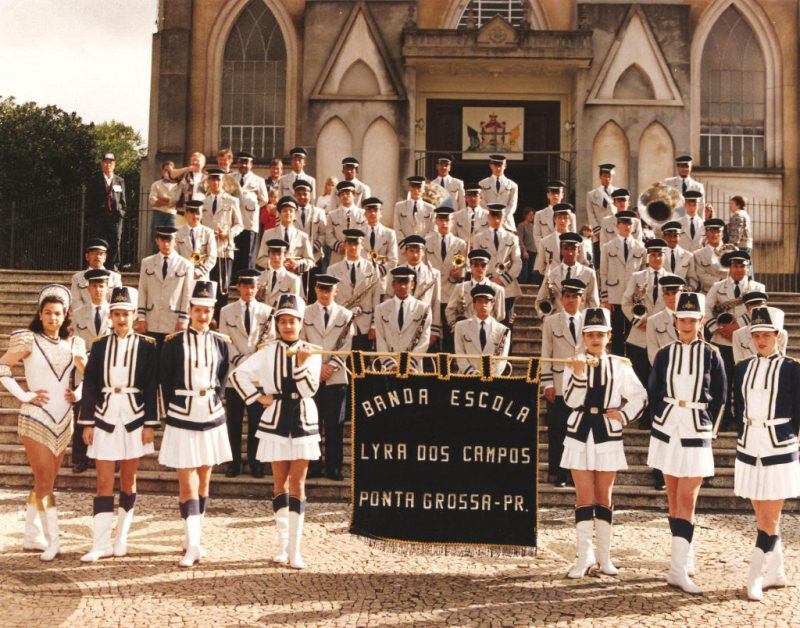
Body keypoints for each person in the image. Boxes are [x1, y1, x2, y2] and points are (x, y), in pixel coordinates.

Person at [230, 293, 322, 569]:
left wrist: (303, 364)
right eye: (282, 321)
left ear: (300, 323)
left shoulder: (312, 351)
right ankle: (282, 544)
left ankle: (295, 549)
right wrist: (258, 397)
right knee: (278, 483)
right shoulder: (267, 351)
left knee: (298, 483)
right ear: (277, 324)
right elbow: (238, 375)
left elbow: (309, 389)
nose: (287, 326)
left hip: (303, 419)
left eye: (292, 321)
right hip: (275, 419)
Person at [647, 292, 727, 594]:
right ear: (675, 321)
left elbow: (720, 397)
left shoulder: (712, 354)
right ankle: (684, 558)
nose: (688, 324)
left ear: (701, 321)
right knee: (672, 499)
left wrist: (710, 430)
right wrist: (662, 418)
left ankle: (677, 570)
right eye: (683, 319)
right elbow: (654, 390)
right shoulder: (665, 353)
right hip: (668, 428)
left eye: (693, 320)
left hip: (696, 429)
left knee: (687, 500)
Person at [0, 285, 86, 561]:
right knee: (46, 481)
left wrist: (79, 393)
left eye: (57, 313)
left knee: (44, 481)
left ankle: (31, 535)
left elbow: (90, 374)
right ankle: (53, 540)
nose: (52, 318)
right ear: (40, 314)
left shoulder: (75, 344)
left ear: (64, 316)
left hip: (65, 420)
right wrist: (25, 395)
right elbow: (2, 368)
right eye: (47, 313)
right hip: (36, 418)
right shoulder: (27, 340)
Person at [562, 307, 647, 578]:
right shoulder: (573, 362)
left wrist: (623, 414)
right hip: (579, 433)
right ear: (584, 336)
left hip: (607, 434)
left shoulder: (620, 365)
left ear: (609, 335)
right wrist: (576, 374)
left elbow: (640, 396)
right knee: (583, 497)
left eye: (601, 333)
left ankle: (605, 558)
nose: (596, 339)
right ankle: (584, 558)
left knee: (604, 496)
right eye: (590, 334)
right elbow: (571, 401)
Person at [77, 286, 158, 562]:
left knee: (128, 479)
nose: (122, 319)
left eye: (126, 313)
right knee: (102, 480)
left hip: (135, 417)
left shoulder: (147, 346)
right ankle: (100, 543)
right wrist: (87, 422)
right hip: (105, 415)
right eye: (117, 314)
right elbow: (89, 384)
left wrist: (150, 423)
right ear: (110, 315)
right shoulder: (99, 345)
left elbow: (150, 385)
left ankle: (121, 538)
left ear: (135, 315)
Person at [158, 281, 233, 567]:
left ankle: (194, 534)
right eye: (197, 310)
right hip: (182, 413)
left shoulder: (221, 342)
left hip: (211, 413)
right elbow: (165, 378)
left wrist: (215, 398)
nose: (202, 315)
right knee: (186, 479)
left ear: (213, 312)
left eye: (207, 310)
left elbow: (224, 375)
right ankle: (193, 544)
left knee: (204, 478)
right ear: (189, 310)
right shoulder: (173, 342)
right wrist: (171, 411)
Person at [733, 306, 800, 600]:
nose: (761, 340)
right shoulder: (743, 367)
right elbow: (738, 408)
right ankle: (777, 572)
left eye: (766, 335)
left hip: (780, 447)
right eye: (756, 335)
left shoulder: (793, 368)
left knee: (770, 518)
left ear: (778, 336)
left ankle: (755, 576)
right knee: (761, 514)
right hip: (750, 445)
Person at [218, 269, 275, 479]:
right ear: (238, 287)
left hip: (258, 376)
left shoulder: (268, 311)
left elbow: (271, 341)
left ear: (257, 288)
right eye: (245, 286)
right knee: (233, 421)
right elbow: (224, 340)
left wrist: (255, 362)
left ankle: (255, 462)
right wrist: (239, 360)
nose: (249, 290)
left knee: (256, 422)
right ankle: (234, 462)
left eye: (253, 286)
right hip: (235, 375)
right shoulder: (226, 311)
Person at [300, 275, 353, 480]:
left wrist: (330, 367)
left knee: (335, 424)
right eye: (321, 289)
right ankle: (313, 465)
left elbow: (346, 346)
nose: (324, 293)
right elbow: (302, 341)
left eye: (329, 290)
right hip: (311, 376)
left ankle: (334, 467)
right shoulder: (305, 313)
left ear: (336, 291)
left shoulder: (346, 314)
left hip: (336, 376)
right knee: (313, 423)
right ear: (315, 289)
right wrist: (316, 367)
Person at [705, 250, 765, 431]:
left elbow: (760, 311)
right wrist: (718, 329)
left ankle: (742, 420)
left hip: (746, 342)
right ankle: (721, 419)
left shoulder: (757, 288)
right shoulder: (718, 287)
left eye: (742, 266)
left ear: (748, 268)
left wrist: (737, 326)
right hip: (721, 341)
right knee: (721, 383)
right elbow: (706, 309)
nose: (739, 269)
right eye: (735, 266)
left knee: (743, 383)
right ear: (730, 267)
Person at [540, 278, 586, 487]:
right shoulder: (551, 321)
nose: (570, 300)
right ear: (561, 298)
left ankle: (577, 474)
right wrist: (547, 383)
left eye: (575, 296)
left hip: (582, 384)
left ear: (582, 299)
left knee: (580, 431)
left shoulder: (589, 321)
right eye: (567, 296)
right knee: (557, 430)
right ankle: (558, 472)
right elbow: (546, 353)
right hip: (559, 384)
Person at [70, 268, 113, 473]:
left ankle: (109, 457)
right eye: (94, 285)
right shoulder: (77, 314)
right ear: (88, 288)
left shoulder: (116, 312)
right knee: (81, 412)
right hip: (83, 367)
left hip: (109, 369)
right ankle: (80, 458)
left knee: (109, 413)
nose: (98, 289)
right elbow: (75, 343)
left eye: (102, 285)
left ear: (107, 287)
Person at [137, 227, 194, 347]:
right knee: (151, 360)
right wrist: (141, 317)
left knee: (170, 361)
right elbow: (142, 290)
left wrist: (183, 319)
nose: (166, 244)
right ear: (157, 241)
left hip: (173, 321)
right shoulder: (147, 262)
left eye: (169, 240)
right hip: (152, 320)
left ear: (176, 241)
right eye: (162, 240)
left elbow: (187, 294)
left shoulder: (185, 265)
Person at [599, 210, 646, 355]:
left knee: (634, 333)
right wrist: (605, 298)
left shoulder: (641, 248)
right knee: (617, 332)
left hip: (633, 299)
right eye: (624, 223)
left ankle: (632, 363)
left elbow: (644, 273)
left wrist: (642, 298)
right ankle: (617, 361)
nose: (627, 226)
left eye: (630, 223)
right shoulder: (608, 247)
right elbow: (603, 273)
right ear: (617, 225)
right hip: (615, 296)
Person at [329, 229, 383, 351]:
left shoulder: (372, 269)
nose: (353, 247)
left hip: (364, 324)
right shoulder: (333, 270)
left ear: (362, 245)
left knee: (362, 364)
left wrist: (374, 325)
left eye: (356, 244)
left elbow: (376, 300)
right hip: (341, 324)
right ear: (345, 245)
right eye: (350, 243)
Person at [202, 168, 244, 320]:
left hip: (224, 249)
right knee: (208, 286)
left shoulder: (232, 200)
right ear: (209, 181)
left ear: (222, 181)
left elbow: (240, 225)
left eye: (218, 179)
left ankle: (221, 320)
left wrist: (229, 234)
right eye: (212, 179)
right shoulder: (203, 202)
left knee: (222, 287)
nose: (215, 182)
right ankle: (209, 319)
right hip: (206, 251)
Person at [425, 206, 467, 352]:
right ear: (436, 221)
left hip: (451, 293)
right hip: (432, 293)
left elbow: (466, 267)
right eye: (441, 220)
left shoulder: (460, 244)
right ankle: (432, 369)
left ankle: (448, 369)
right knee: (430, 333)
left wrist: (460, 273)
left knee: (450, 334)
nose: (444, 223)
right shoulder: (426, 241)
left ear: (452, 222)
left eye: (447, 220)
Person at [374, 267, 432, 373]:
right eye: (398, 282)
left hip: (413, 368)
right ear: (393, 284)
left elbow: (424, 340)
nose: (402, 286)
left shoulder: (423, 308)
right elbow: (380, 340)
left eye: (406, 282)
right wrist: (390, 364)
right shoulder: (381, 309)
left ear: (412, 284)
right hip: (389, 368)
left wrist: (409, 364)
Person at [472, 205, 522, 326]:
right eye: (494, 217)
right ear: (489, 217)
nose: (497, 220)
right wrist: (489, 279)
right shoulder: (479, 238)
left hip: (507, 287)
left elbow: (517, 262)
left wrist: (501, 280)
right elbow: (476, 262)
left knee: (506, 326)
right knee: (486, 324)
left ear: (504, 217)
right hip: (486, 286)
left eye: (499, 217)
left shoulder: (512, 238)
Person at [391, 235, 442, 346]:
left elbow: (435, 302)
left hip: (423, 322)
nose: (414, 255)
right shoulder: (395, 272)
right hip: (401, 323)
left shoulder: (434, 274)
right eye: (411, 251)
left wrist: (434, 330)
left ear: (423, 252)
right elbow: (389, 298)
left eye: (418, 251)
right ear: (405, 252)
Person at [534, 232, 599, 318]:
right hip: (558, 324)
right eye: (566, 249)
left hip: (580, 323)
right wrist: (546, 318)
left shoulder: (589, 274)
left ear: (578, 251)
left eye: (573, 249)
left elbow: (593, 302)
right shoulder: (551, 274)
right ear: (561, 250)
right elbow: (539, 301)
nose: (570, 253)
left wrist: (585, 321)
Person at [453, 285, 510, 375]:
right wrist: (472, 373)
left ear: (493, 303)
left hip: (492, 380)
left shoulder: (503, 330)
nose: (483, 305)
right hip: (466, 378)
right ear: (474, 304)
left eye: (486, 301)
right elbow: (459, 353)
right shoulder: (461, 326)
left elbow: (502, 359)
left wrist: (489, 376)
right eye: (479, 301)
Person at [445, 249, 506, 329]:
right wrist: (454, 325)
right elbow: (450, 309)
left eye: (483, 265)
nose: (479, 268)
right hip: (465, 330)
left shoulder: (498, 290)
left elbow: (500, 316)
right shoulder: (460, 288)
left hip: (489, 330)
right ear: (471, 266)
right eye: (476, 265)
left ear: (488, 266)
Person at [87, 153, 127, 271]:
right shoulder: (95, 180)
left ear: (114, 165)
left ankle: (113, 265)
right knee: (98, 241)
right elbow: (90, 199)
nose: (108, 165)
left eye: (110, 162)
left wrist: (121, 212)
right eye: (106, 162)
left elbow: (123, 199)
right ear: (102, 164)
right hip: (99, 217)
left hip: (115, 217)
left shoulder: (120, 180)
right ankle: (97, 265)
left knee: (115, 241)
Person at [258, 196, 314, 276]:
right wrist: (276, 264)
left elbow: (310, 261)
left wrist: (297, 264)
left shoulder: (303, 236)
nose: (288, 213)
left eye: (291, 211)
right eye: (284, 211)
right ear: (279, 214)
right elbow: (260, 259)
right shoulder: (268, 234)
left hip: (294, 278)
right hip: (274, 277)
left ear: (295, 215)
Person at [234, 151, 269, 274]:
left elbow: (264, 199)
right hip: (234, 220)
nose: (243, 165)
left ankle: (247, 276)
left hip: (250, 220)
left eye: (246, 162)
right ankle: (235, 279)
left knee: (248, 251)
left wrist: (254, 206)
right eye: (241, 162)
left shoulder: (258, 180)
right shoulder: (232, 178)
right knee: (235, 249)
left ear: (251, 164)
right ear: (237, 164)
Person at [533, 204, 590, 277]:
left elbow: (583, 263)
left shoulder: (579, 241)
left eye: (565, 218)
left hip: (572, 281)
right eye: (559, 218)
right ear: (554, 219)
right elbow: (541, 266)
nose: (562, 221)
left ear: (570, 220)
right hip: (551, 282)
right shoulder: (545, 242)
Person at [732, 292, 788, 363]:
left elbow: (781, 359)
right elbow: (739, 362)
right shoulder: (739, 334)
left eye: (761, 308)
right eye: (753, 310)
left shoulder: (780, 332)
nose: (758, 313)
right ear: (747, 311)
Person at [70, 238, 123, 311]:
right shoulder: (77, 278)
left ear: (105, 257)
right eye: (94, 253)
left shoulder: (115, 277)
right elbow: (76, 302)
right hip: (85, 319)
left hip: (108, 318)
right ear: (87, 256)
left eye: (101, 254)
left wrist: (104, 315)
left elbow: (117, 302)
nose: (97, 256)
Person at [293, 179, 328, 284]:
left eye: (305, 194)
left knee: (314, 289)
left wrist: (314, 246)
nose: (302, 197)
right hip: (296, 257)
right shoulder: (290, 212)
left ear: (310, 195)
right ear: (294, 195)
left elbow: (324, 233)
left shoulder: (318, 212)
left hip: (315, 256)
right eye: (299, 194)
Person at [325, 180, 368, 265]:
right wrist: (338, 245)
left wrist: (354, 246)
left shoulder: (363, 214)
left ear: (354, 195)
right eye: (342, 194)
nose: (345, 196)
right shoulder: (332, 215)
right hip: (338, 255)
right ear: (339, 197)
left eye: (348, 193)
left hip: (358, 254)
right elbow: (328, 235)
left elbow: (366, 233)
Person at [175, 200, 218, 280]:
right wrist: (184, 271)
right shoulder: (178, 232)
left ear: (201, 215)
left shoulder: (208, 232)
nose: (195, 217)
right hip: (182, 275)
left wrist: (199, 272)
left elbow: (212, 257)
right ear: (186, 214)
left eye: (198, 213)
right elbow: (175, 255)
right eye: (192, 213)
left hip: (201, 276)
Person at [256, 240, 303, 308]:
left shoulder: (293, 280)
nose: (276, 257)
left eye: (279, 254)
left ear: (285, 255)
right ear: (268, 255)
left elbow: (292, 306)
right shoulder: (259, 277)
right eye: (273, 254)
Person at [586, 164, 617, 268]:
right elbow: (591, 213)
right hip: (598, 234)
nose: (607, 178)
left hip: (614, 233)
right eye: (604, 175)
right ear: (600, 176)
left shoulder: (618, 193)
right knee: (600, 264)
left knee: (614, 263)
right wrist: (597, 231)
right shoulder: (592, 194)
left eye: (609, 176)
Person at [361, 197, 399, 281]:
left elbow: (393, 260)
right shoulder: (359, 234)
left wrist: (378, 272)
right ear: (365, 214)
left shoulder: (389, 233)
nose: (373, 213)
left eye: (375, 210)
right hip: (362, 276)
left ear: (381, 213)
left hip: (382, 277)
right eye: (369, 211)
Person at [479, 154, 518, 231]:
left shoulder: (513, 185)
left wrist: (501, 217)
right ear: (491, 166)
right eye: (495, 165)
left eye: (500, 165)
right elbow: (482, 203)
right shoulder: (482, 184)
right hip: (487, 221)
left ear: (505, 166)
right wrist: (492, 217)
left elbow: (512, 205)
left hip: (506, 223)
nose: (498, 168)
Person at [688, 218, 728, 293]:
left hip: (728, 292)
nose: (714, 234)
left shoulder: (730, 251)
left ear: (722, 233)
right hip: (707, 292)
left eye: (717, 231)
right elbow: (701, 275)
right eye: (711, 231)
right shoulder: (698, 254)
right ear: (706, 233)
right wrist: (720, 281)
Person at [533, 181, 576, 248]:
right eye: (553, 193)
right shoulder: (539, 215)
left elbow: (573, 235)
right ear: (548, 195)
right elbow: (537, 236)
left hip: (564, 251)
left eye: (558, 193)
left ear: (562, 195)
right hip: (545, 251)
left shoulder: (571, 215)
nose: (555, 195)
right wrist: (543, 251)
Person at [393, 176, 435, 243]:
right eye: (413, 187)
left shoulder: (431, 209)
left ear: (424, 189)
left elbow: (433, 230)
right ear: (409, 188)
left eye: (419, 187)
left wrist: (422, 242)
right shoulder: (399, 206)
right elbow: (397, 228)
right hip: (405, 247)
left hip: (424, 247)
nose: (416, 190)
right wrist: (406, 243)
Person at [148, 160, 180, 247]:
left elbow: (177, 201)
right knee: (157, 239)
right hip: (159, 214)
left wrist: (162, 199)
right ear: (162, 172)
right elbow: (152, 201)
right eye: (165, 170)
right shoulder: (156, 185)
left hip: (172, 216)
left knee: (171, 239)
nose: (167, 173)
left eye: (170, 170)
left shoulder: (177, 186)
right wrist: (169, 201)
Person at [172, 151, 208, 228]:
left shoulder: (207, 178)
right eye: (192, 160)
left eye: (197, 160)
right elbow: (171, 175)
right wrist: (186, 169)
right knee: (180, 237)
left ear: (203, 163)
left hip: (200, 213)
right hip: (183, 212)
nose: (194, 162)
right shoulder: (184, 175)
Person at [451, 182, 490, 246]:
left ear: (481, 197)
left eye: (475, 195)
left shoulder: (488, 215)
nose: (472, 198)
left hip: (482, 250)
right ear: (465, 197)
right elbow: (453, 235)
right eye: (469, 195)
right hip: (462, 250)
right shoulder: (456, 216)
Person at [727, 195, 753, 276]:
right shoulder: (745, 214)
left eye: (732, 204)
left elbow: (736, 233)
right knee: (747, 267)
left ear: (738, 205)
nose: (730, 206)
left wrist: (730, 247)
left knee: (739, 270)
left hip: (740, 246)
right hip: (746, 245)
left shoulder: (737, 215)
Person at [517, 208, 536, 284]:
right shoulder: (521, 225)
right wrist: (524, 250)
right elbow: (520, 239)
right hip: (526, 251)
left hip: (534, 251)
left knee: (533, 270)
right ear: (525, 215)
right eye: (530, 215)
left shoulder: (533, 226)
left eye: (533, 215)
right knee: (524, 270)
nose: (531, 217)